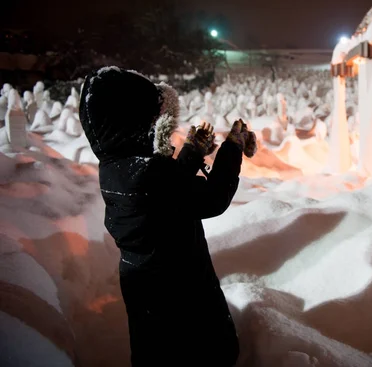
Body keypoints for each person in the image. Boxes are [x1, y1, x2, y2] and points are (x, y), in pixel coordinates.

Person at [79, 67, 256, 366]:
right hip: (179, 282)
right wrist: (231, 150)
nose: (156, 125)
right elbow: (211, 198)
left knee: (155, 347)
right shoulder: (150, 173)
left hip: (143, 280)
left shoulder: (115, 166)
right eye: (153, 119)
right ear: (131, 123)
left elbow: (165, 193)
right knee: (199, 349)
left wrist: (189, 154)